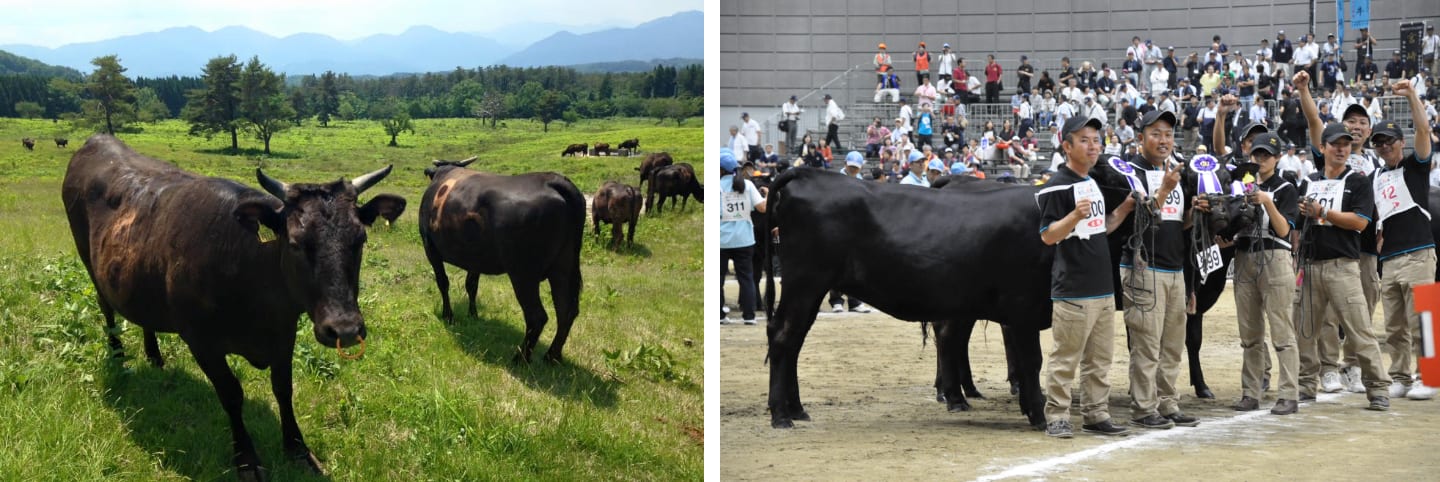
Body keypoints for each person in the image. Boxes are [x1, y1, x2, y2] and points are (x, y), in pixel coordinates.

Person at [1295, 72, 1392, 410]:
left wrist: (1323, 212)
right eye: (1335, 144)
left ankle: (1377, 387)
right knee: (1307, 330)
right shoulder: (1309, 180)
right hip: (1311, 264)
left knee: (1360, 327)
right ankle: (1308, 384)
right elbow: (1297, 225)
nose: (1341, 149)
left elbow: (1361, 222)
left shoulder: (1360, 179)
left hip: (1345, 264)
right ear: (1322, 148)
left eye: (1345, 145)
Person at [1038, 115, 1137, 438]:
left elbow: (1100, 228)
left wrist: (1123, 209)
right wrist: (1074, 214)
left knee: (1099, 359)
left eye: (1096, 140)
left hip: (1101, 288)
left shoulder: (1091, 182)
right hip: (1073, 288)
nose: (1093, 146)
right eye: (1084, 140)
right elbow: (1049, 235)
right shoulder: (1058, 185)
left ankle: (1096, 413)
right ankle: (1057, 416)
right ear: (1067, 146)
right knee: (1065, 358)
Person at [1118, 110, 1200, 429]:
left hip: (1174, 267)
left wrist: (1196, 212)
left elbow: (1182, 225)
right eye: (1155, 133)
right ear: (1140, 138)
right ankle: (1143, 407)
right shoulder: (1129, 171)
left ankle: (1168, 403)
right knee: (1146, 343)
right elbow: (1137, 221)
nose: (1163, 140)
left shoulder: (1177, 172)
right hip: (1143, 266)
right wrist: (1164, 190)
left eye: (1168, 134)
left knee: (1171, 344)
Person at [1368, 81, 1438, 401]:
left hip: (1419, 254)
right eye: (1378, 143)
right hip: (1390, 260)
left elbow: (1423, 130)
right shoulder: (1377, 177)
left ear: (1401, 142)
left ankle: (1429, 375)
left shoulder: (1416, 166)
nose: (1383, 147)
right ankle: (1400, 375)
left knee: (1423, 319)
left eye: (1388, 141)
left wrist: (1411, 96)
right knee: (1394, 326)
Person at [1228, 132, 1302, 414]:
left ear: (1277, 158)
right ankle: (1250, 391)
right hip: (1244, 255)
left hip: (1275, 255)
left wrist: (1267, 201)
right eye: (1256, 155)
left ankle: (1289, 394)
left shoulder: (1285, 187)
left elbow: (1285, 230)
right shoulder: (1241, 185)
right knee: (1250, 332)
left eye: (1266, 156)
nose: (1260, 160)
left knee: (1282, 330)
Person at [719, 149, 766, 326]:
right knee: (746, 277)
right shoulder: (748, 185)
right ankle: (749, 315)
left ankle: (720, 315)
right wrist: (768, 195)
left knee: (718, 279)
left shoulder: (716, 186)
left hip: (721, 239)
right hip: (745, 238)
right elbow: (762, 208)